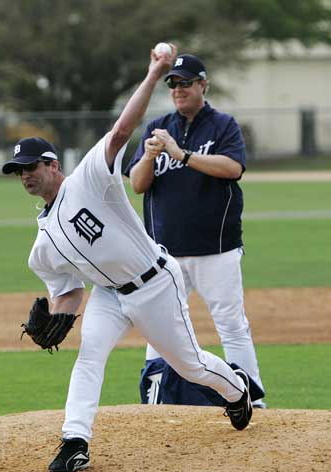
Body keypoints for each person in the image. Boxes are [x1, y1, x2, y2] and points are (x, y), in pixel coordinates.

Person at [2, 46, 253, 472]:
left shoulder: (89, 179)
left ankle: (236, 390)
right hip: (109, 295)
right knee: (90, 356)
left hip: (155, 282)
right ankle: (74, 441)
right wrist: (58, 319)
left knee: (189, 364)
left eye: (31, 166)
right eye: (18, 170)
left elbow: (121, 131)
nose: (25, 174)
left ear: (53, 165)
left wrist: (156, 72)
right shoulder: (42, 247)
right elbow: (69, 292)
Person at [125, 53, 265, 407]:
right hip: (164, 252)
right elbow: (138, 185)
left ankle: (252, 399)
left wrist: (181, 153)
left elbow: (232, 167)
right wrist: (149, 156)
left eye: (186, 82)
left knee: (231, 325)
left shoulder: (222, 125)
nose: (178, 89)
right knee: (159, 327)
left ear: (203, 84)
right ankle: (156, 400)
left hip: (216, 248)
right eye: (173, 83)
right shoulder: (158, 126)